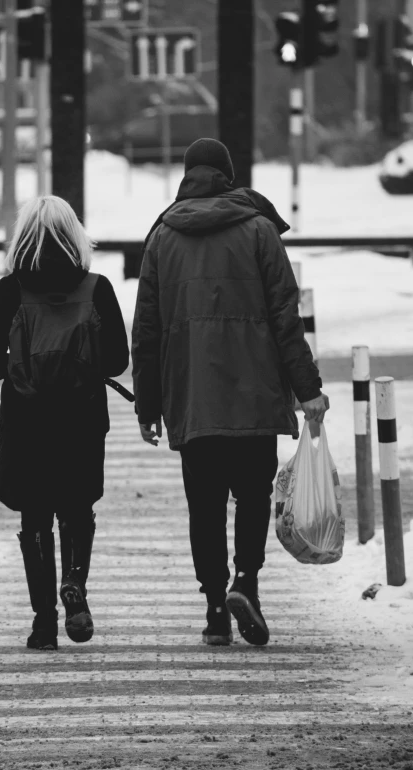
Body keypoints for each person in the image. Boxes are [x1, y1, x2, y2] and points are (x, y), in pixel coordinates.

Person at [132, 138, 329, 648]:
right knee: (253, 495)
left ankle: (216, 608)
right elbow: (287, 320)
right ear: (229, 174)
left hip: (192, 397)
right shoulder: (260, 231)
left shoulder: (162, 238)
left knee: (204, 504)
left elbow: (146, 331)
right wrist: (308, 391)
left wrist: (148, 406)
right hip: (256, 395)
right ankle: (247, 582)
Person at [0, 195, 129, 650]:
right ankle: (75, 582)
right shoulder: (96, 288)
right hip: (82, 420)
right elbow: (118, 360)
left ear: (24, 238)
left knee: (35, 513)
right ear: (75, 236)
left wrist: (22, 367)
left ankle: (44, 620)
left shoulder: (8, 292)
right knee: (77, 507)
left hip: (26, 421)